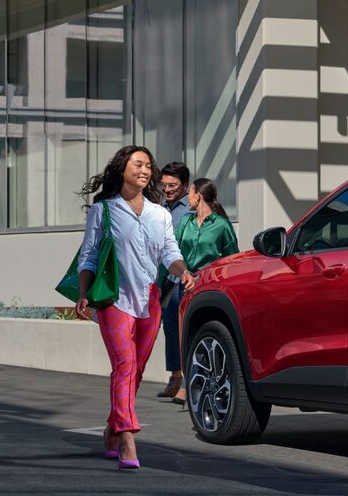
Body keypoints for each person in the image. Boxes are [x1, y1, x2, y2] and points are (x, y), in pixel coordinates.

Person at [75, 146, 194, 470]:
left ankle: (112, 427)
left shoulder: (160, 214)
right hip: (114, 300)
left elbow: (170, 252)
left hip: (149, 300)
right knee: (125, 365)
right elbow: (89, 255)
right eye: (138, 163)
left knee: (136, 371)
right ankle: (127, 436)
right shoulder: (103, 210)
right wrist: (83, 294)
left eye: (148, 165)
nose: (145, 170)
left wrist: (183, 272)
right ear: (122, 168)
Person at [166, 178, 239, 404]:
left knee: (204, 334)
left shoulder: (222, 225)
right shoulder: (185, 222)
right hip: (185, 284)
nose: (187, 197)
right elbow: (172, 250)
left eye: (189, 193)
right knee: (183, 334)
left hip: (209, 286)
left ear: (198, 196)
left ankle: (206, 383)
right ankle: (187, 383)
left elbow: (232, 259)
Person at [156, 161, 191, 400]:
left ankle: (188, 383)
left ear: (185, 185)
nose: (167, 190)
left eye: (173, 185)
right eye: (164, 185)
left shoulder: (192, 208)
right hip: (167, 279)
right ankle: (175, 377)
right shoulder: (160, 209)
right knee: (170, 330)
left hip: (187, 277)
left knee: (185, 330)